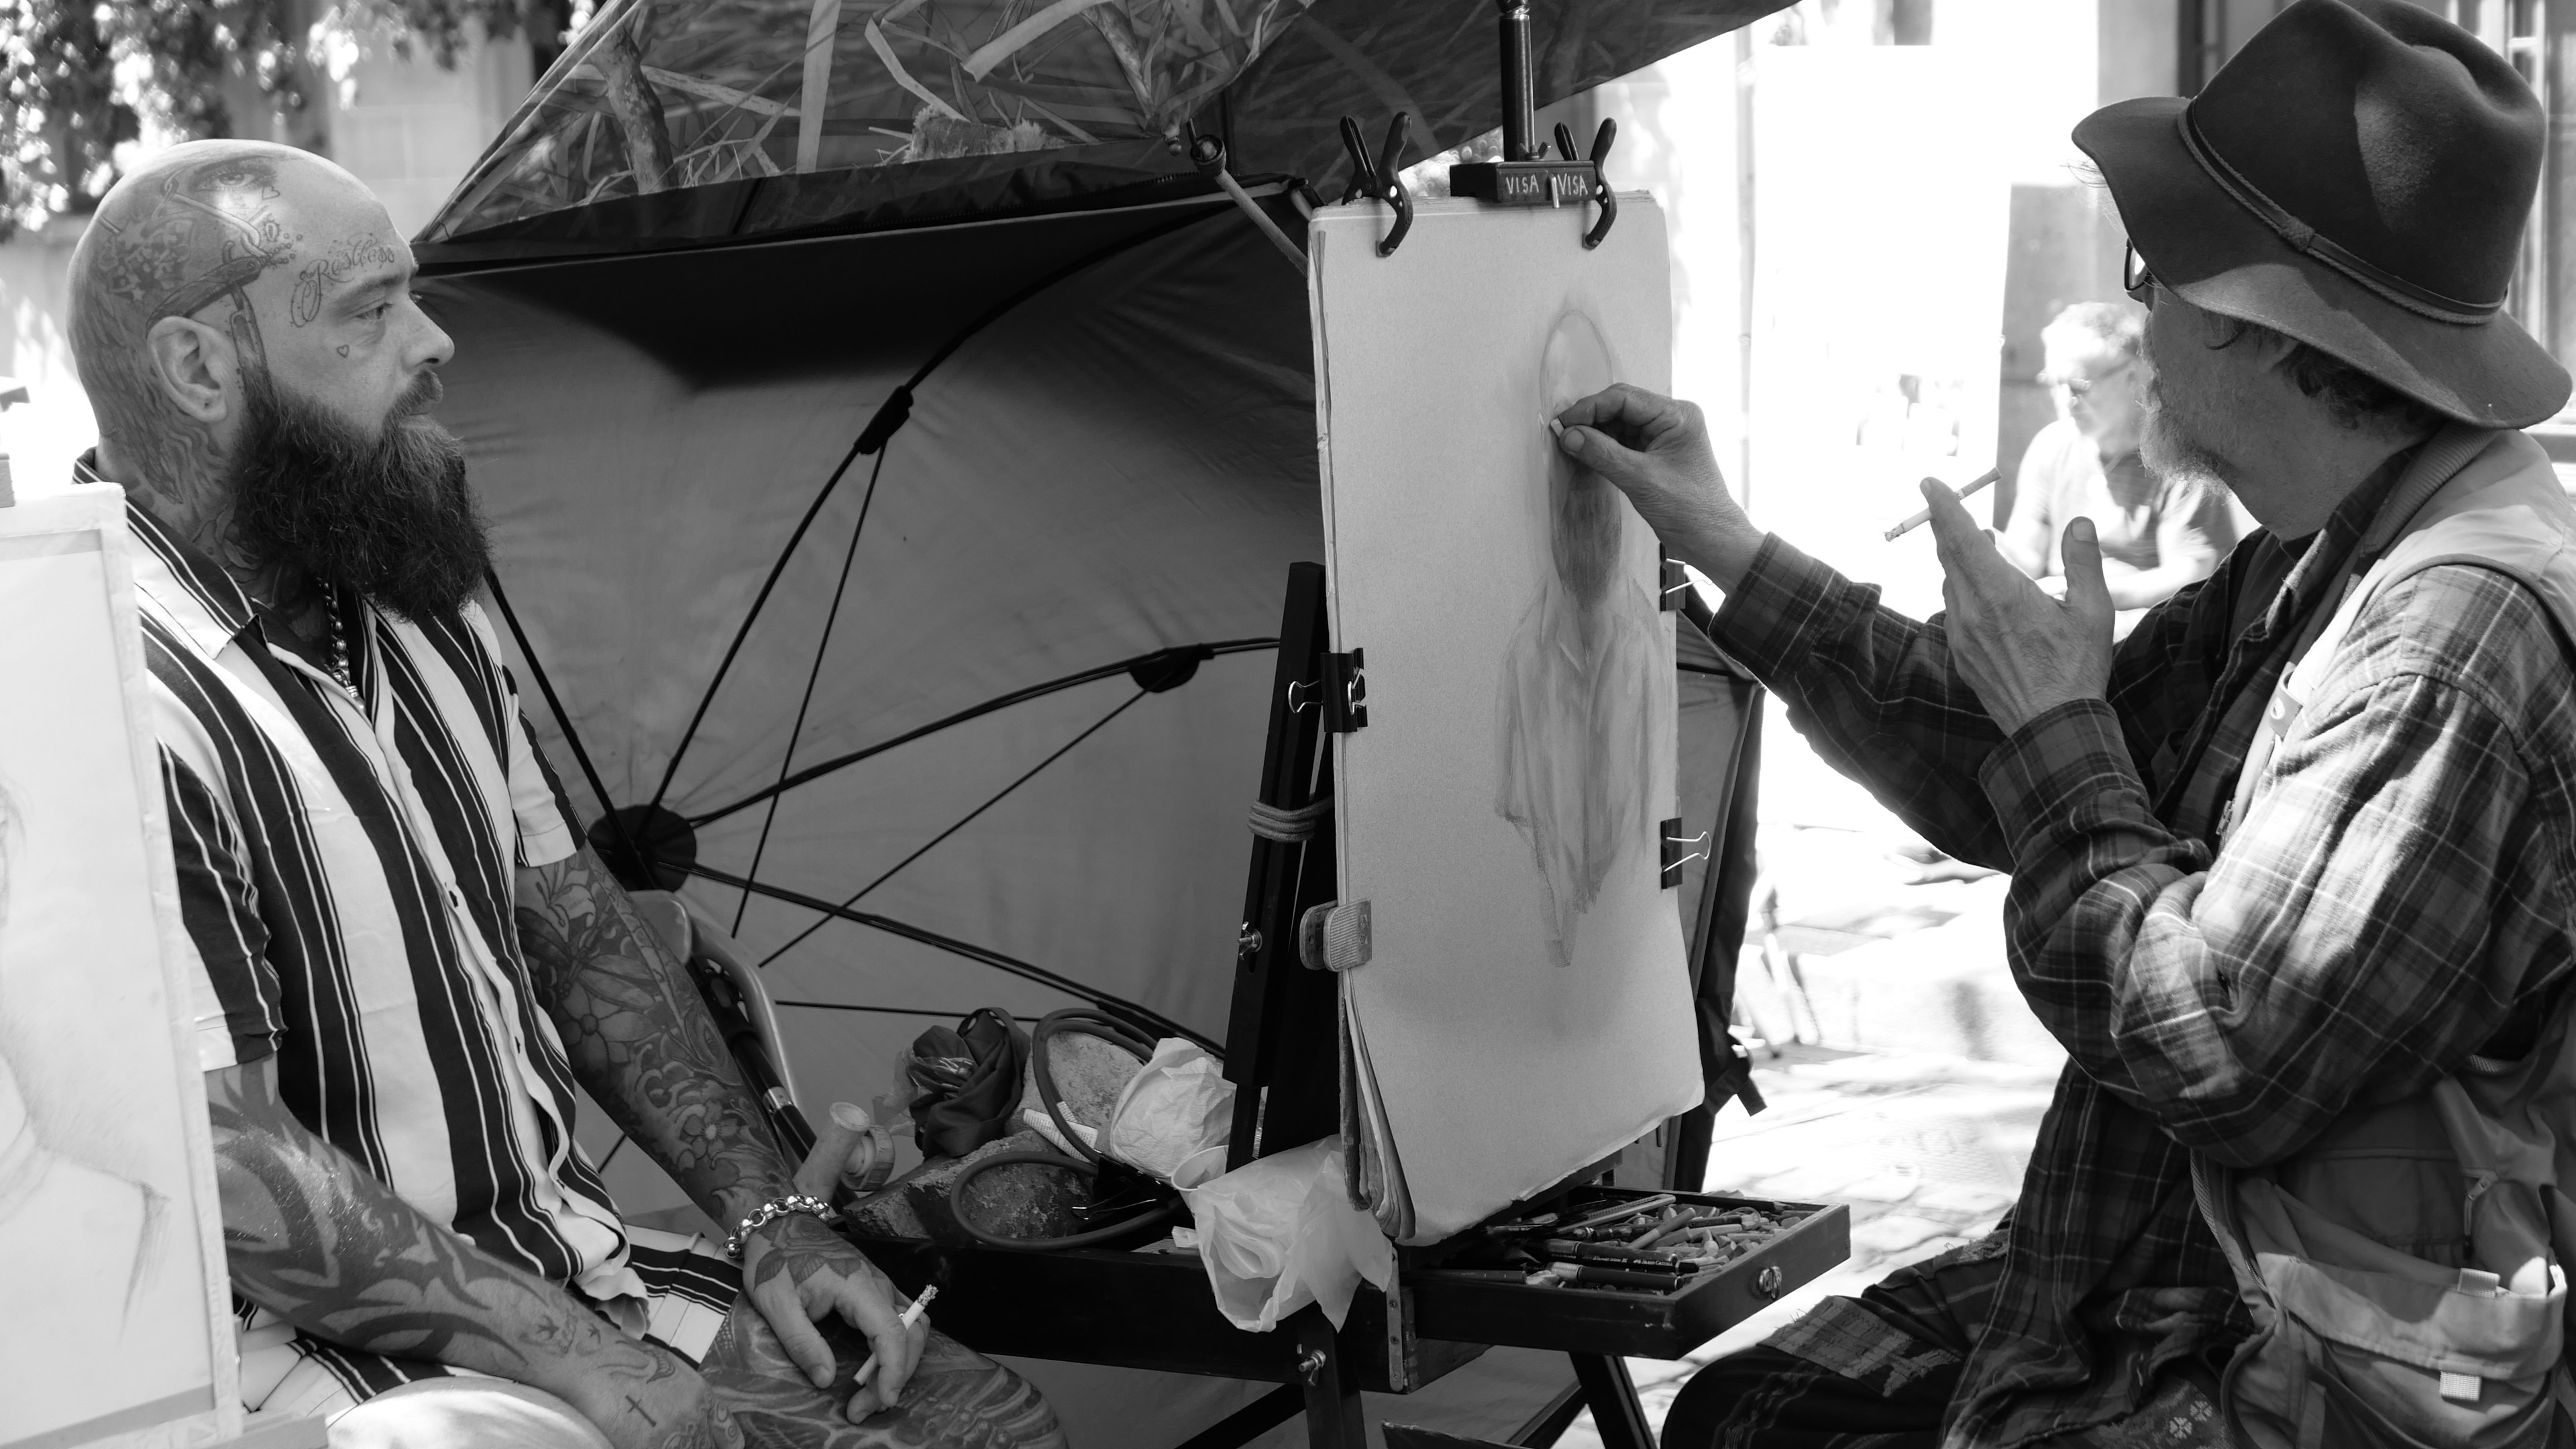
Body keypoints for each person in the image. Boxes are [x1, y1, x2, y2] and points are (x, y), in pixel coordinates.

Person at [1549, 1, 2575, 1444]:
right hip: (2158, 1280)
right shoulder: (2325, 551)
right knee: (1746, 1410)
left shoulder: (2450, 642)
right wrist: (1727, 542)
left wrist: (2057, 726)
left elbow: (2220, 1046)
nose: (2137, 325)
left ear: (2258, 326)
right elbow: (2012, 765)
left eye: (2153, 277)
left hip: (2268, 1355)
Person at [64, 140, 1065, 1448]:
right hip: (321, 1384)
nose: (433, 344)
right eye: (370, 310)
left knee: (990, 1430)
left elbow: (583, 939)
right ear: (202, 369)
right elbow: (226, 1162)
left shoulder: (422, 615)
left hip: (580, 1280)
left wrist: (776, 1221)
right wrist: (577, 1362)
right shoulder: (97, 699)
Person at [1496, 309, 1668, 968]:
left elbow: (1649, 859)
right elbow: (1515, 850)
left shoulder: (1647, 650)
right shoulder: (1524, 657)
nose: (1584, 462)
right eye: (1564, 434)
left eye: (1602, 436)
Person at [2000, 302, 2240, 635]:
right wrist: (1984, 543)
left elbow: (2191, 576)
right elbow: (2028, 555)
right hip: (2060, 620)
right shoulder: (2052, 446)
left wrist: (2085, 595)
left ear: (2130, 376)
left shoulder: (2178, 458)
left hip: (2145, 635)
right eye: (2054, 382)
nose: (2065, 400)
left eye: (2079, 386)